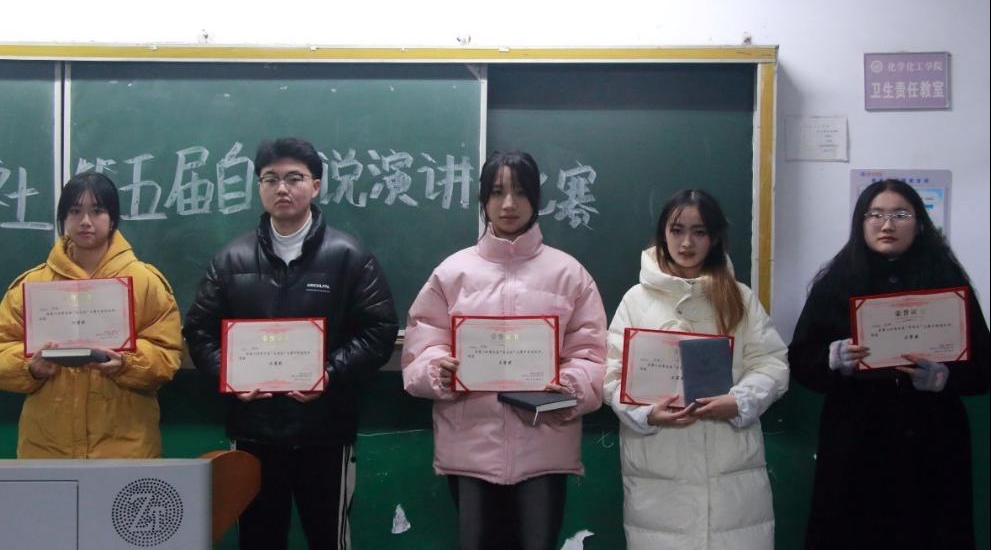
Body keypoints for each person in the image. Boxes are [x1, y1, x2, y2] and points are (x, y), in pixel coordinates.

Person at [183, 137, 398, 550]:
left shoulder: (350, 256)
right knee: (258, 540)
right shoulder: (230, 259)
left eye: (294, 178)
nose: (282, 188)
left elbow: (379, 330)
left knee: (327, 539)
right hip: (253, 432)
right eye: (271, 179)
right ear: (259, 187)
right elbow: (199, 332)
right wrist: (230, 374)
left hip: (326, 432)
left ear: (315, 185)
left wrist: (329, 373)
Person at [401, 150, 607, 550]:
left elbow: (592, 353)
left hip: (544, 445)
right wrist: (437, 371)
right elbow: (421, 344)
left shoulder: (569, 274)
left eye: (520, 192)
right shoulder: (453, 273)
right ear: (483, 199)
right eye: (497, 192)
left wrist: (570, 386)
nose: (509, 204)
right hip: (470, 450)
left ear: (536, 199)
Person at [789, 179, 990, 550]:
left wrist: (945, 377)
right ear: (861, 223)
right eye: (875, 214)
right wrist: (833, 359)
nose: (887, 225)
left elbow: (984, 367)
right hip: (856, 439)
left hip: (933, 439)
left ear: (920, 223)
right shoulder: (835, 282)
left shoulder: (947, 282)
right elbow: (801, 360)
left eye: (900, 214)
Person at [604, 189, 789, 550]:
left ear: (714, 237)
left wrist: (740, 401)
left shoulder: (739, 297)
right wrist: (645, 414)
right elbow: (611, 376)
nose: (686, 243)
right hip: (659, 472)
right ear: (663, 234)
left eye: (699, 231)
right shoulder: (636, 301)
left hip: (731, 472)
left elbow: (771, 362)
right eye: (677, 230)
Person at [0, 172, 182, 458]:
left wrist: (127, 363)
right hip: (47, 449)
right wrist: (30, 367)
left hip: (125, 449)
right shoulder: (32, 286)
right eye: (75, 211)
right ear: (63, 218)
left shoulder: (145, 281)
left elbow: (167, 355)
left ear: (113, 218)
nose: (85, 221)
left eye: (97, 211)